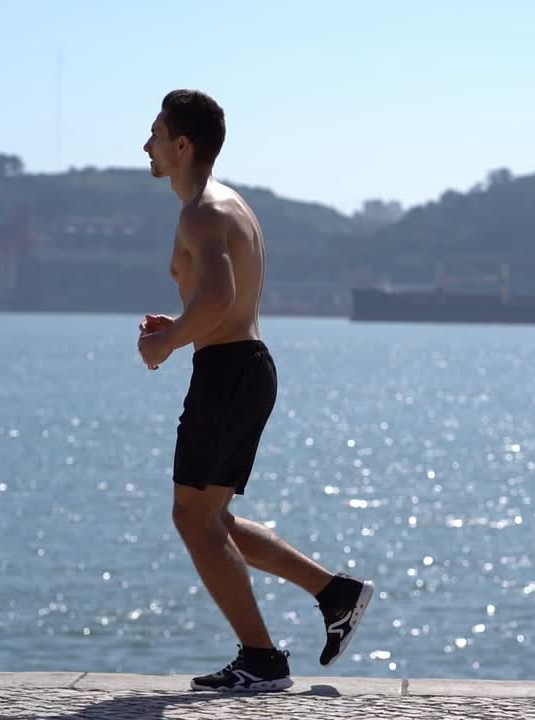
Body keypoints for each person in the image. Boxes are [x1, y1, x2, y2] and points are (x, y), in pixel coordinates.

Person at [137, 89, 373, 692]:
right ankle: (336, 592)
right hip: (245, 366)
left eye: (157, 134)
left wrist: (168, 343)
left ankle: (262, 659)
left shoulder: (201, 213)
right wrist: (181, 326)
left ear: (182, 145)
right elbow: (220, 302)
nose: (147, 145)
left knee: (192, 517)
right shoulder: (229, 204)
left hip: (229, 373)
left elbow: (218, 297)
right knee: (212, 517)